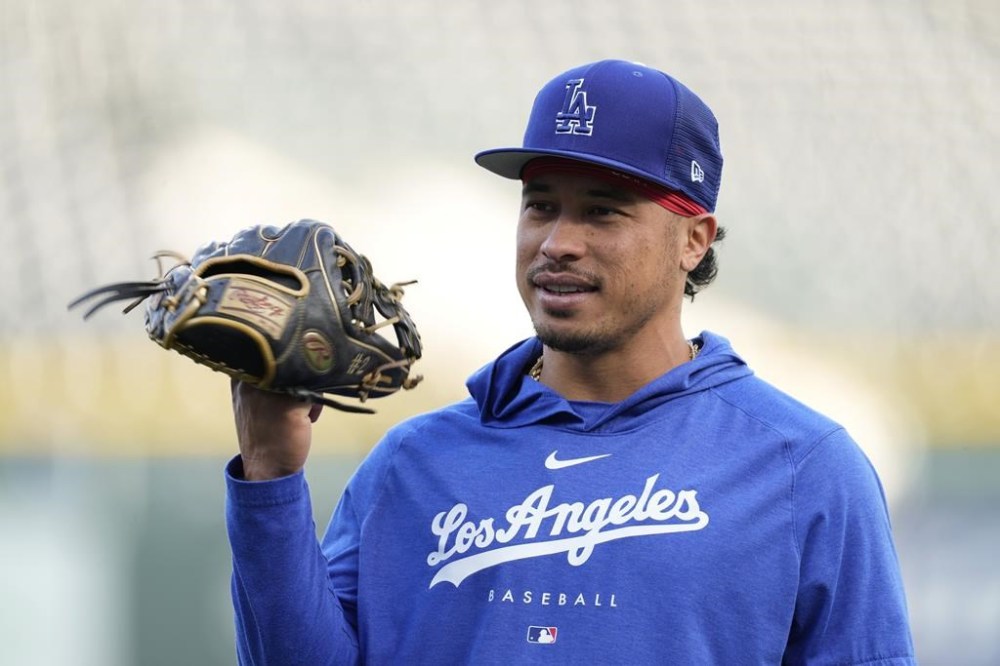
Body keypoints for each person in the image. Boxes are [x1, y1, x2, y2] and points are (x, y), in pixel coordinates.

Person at [225, 59, 916, 664]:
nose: (557, 242)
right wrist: (269, 474)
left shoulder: (802, 469)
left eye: (602, 213)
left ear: (693, 241)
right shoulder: (413, 463)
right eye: (541, 206)